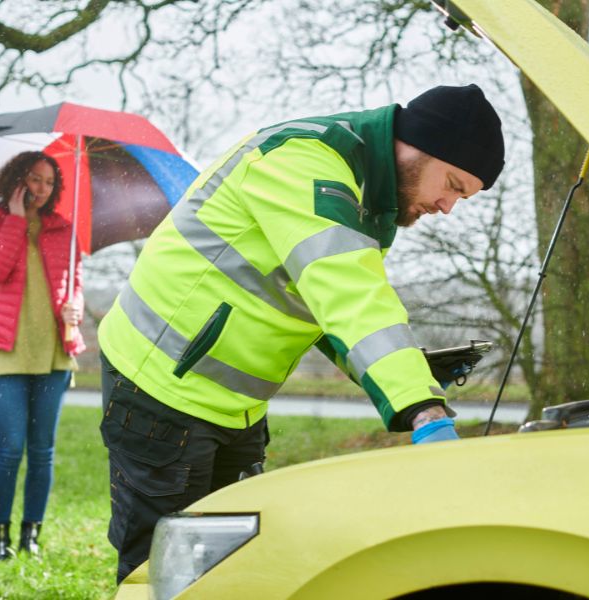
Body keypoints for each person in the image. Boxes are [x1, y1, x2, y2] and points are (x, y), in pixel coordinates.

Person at [96, 84, 505, 582]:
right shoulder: (307, 162)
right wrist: (423, 409)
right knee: (164, 575)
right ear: (418, 145)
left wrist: (408, 372)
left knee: (230, 568)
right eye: (453, 185)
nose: (447, 206)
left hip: (232, 403)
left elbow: (328, 312)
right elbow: (349, 295)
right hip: (160, 385)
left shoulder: (368, 198)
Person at [0, 150, 85, 561]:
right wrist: (16, 219)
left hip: (53, 354)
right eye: (34, 179)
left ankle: (31, 536)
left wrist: (75, 308)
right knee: (10, 448)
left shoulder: (65, 233)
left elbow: (75, 286)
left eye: (49, 183)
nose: (42, 189)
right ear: (16, 179)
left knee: (43, 450)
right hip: (6, 355)